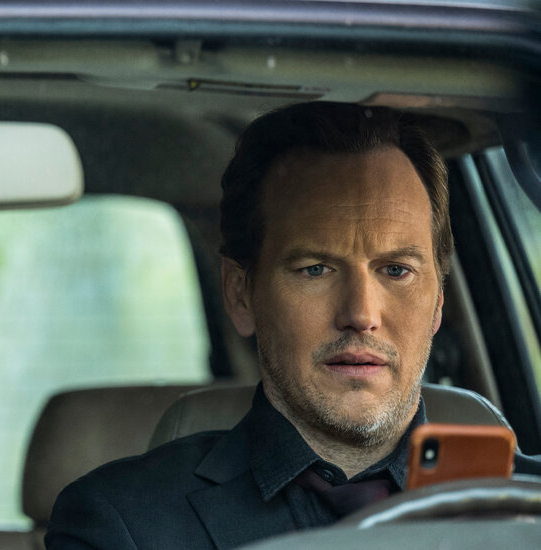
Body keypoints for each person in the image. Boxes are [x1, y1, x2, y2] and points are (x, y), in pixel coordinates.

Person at [45, 102, 541, 549]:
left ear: (438, 302)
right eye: (315, 270)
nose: (362, 314)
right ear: (241, 294)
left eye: (396, 270)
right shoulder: (124, 524)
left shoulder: (529, 506)